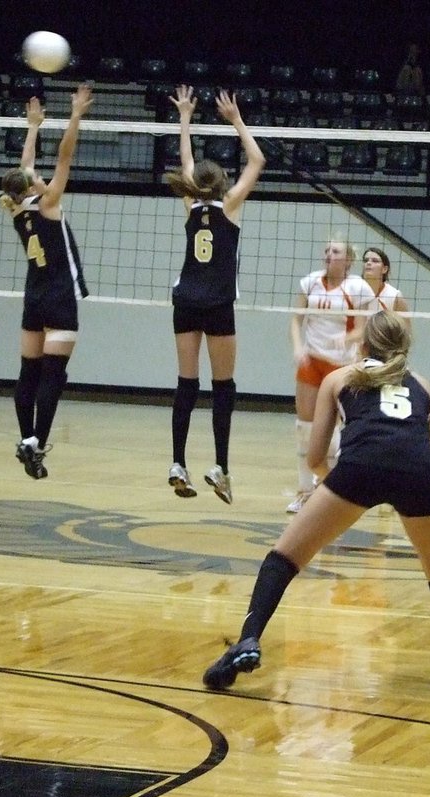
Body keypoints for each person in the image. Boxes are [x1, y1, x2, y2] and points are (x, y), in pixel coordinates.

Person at [201, 310, 430, 698]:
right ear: (404, 347)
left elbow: (314, 458)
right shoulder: (426, 387)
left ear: (363, 344)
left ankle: (248, 640)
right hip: (419, 472)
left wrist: (344, 495)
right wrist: (394, 493)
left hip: (360, 467)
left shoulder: (339, 378)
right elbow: (429, 453)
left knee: (285, 557)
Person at [163, 84, 265, 504]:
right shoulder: (232, 205)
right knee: (223, 386)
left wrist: (185, 116)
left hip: (185, 301)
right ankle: (221, 467)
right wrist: (236, 120)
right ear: (223, 182)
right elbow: (258, 160)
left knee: (187, 383)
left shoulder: (190, 204)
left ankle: (177, 462)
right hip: (219, 304)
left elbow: (185, 162)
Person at [0, 85, 94, 481]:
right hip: (59, 296)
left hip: (33, 296)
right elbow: (65, 157)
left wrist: (33, 127)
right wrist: (74, 116)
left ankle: (26, 440)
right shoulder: (50, 202)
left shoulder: (17, 210)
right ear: (31, 185)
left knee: (28, 374)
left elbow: (26, 164)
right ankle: (37, 440)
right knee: (54, 375)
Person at [287, 238, 377, 513]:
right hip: (312, 360)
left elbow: (363, 328)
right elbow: (295, 319)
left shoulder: (357, 288)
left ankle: (327, 489)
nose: (328, 255)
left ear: (348, 260)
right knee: (305, 427)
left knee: (332, 430)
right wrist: (298, 347)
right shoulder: (310, 282)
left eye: (335, 251)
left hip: (340, 366)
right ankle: (304, 491)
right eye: (326, 251)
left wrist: (347, 339)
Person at [361, 247, 411, 323]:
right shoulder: (353, 292)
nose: (368, 263)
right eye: (365, 260)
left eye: (375, 261)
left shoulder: (394, 296)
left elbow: (406, 331)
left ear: (384, 269)